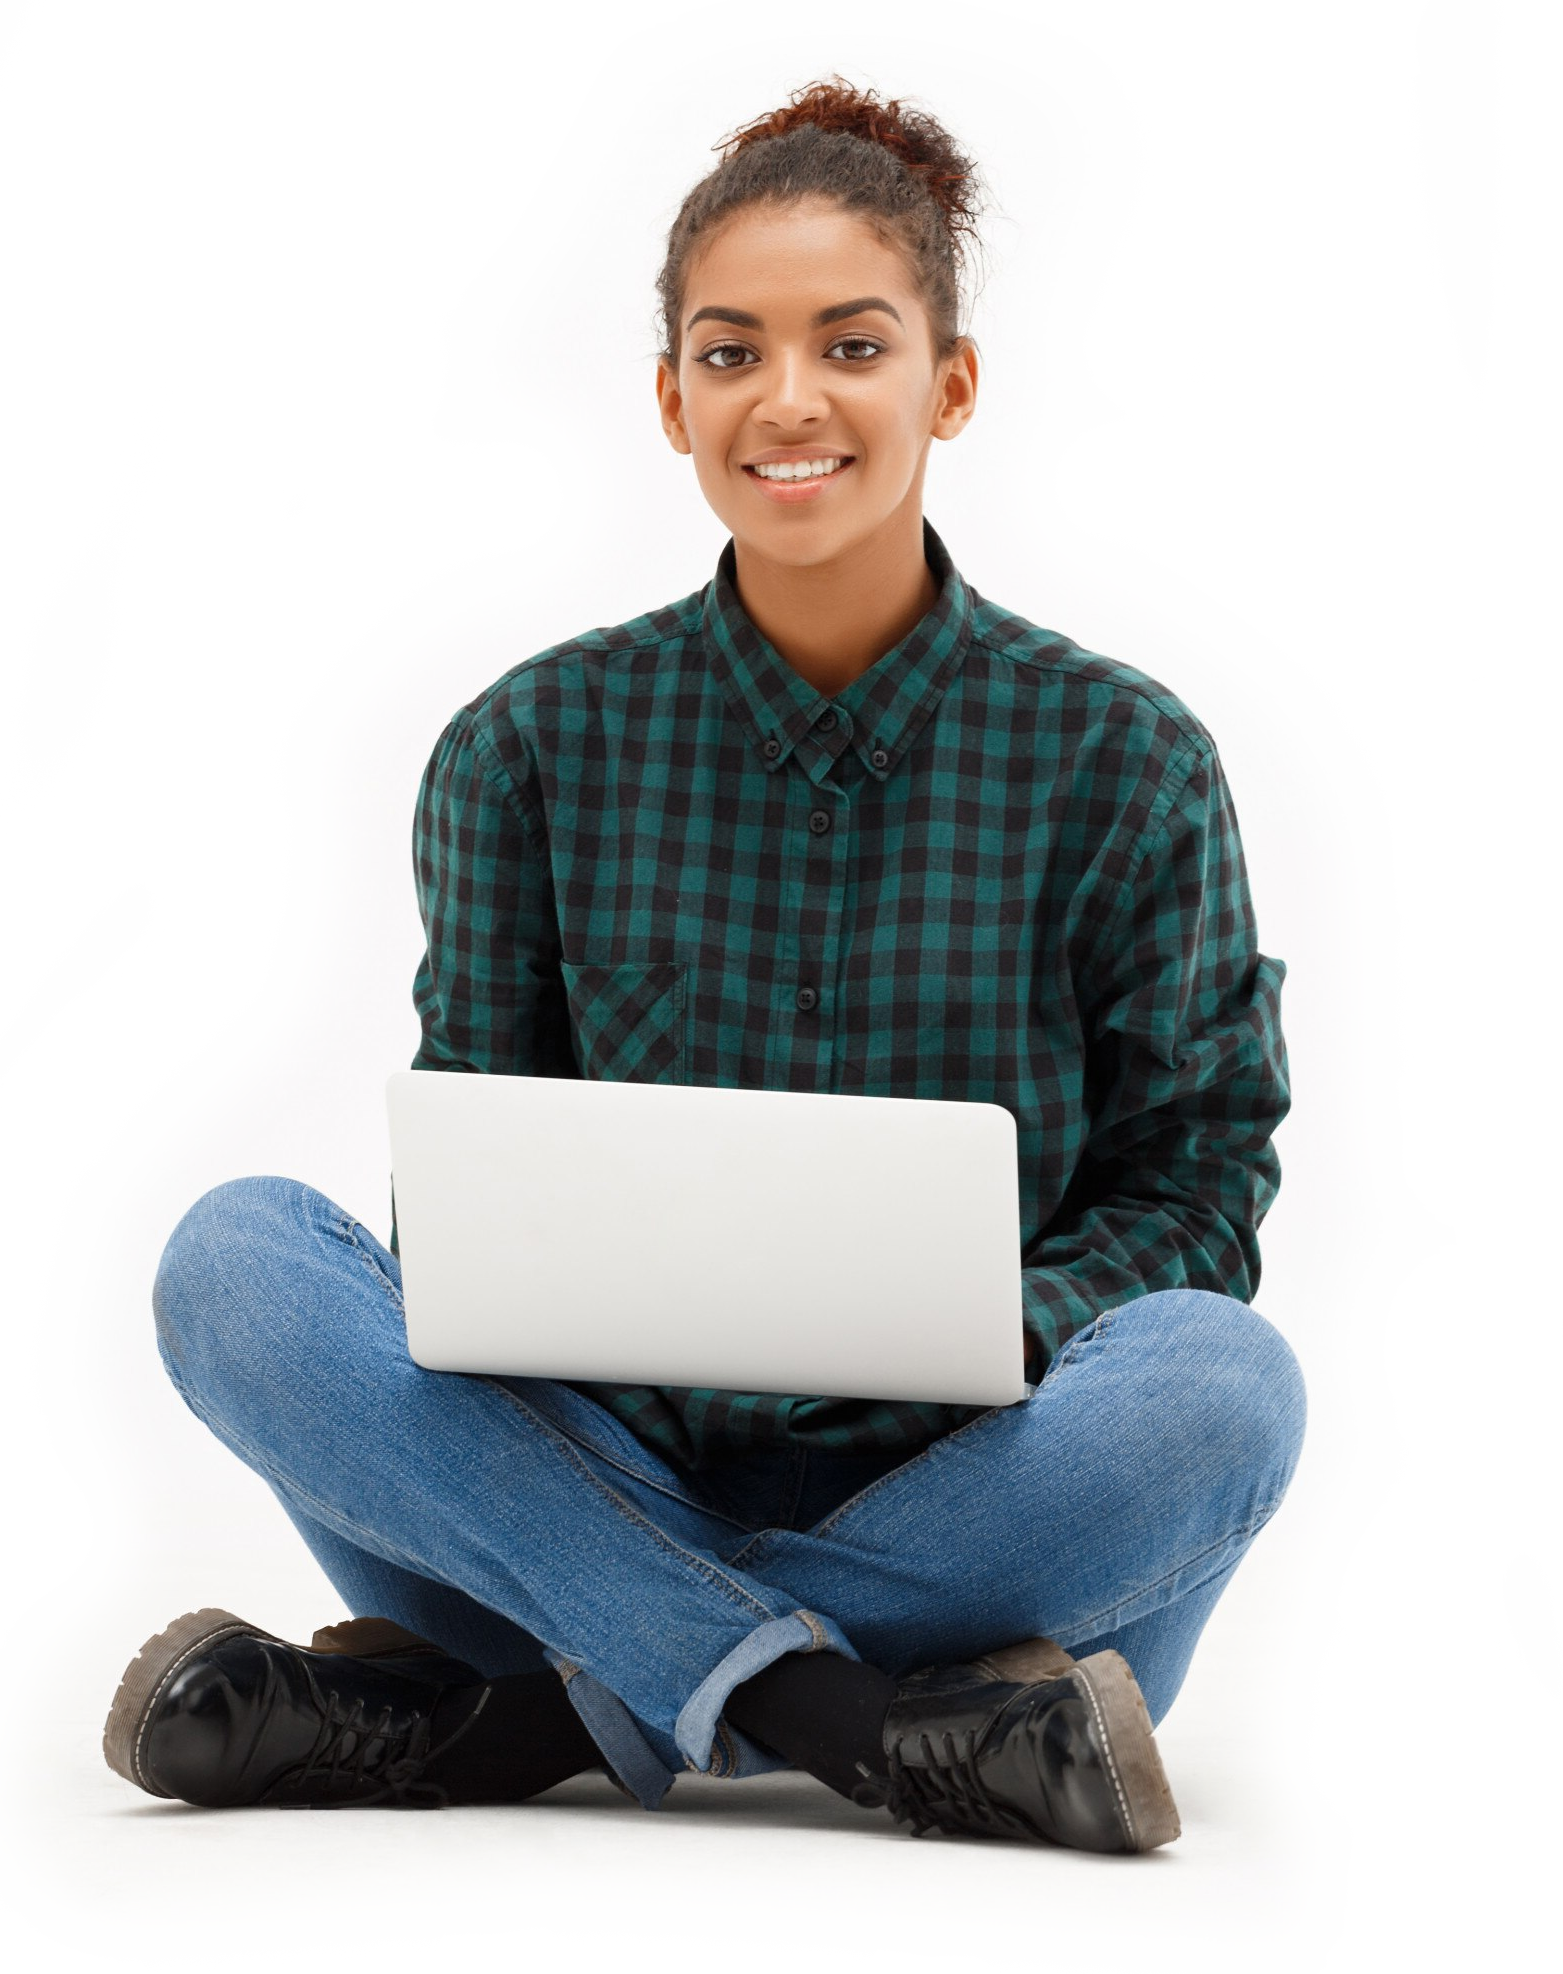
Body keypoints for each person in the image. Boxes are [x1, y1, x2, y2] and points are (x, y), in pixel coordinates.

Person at [104, 76, 1306, 1852]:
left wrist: (978, 1329)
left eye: (853, 344)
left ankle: (520, 1721)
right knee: (237, 1263)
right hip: (582, 1485)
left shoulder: (1120, 756)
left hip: (979, 1513)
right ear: (672, 400)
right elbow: (464, 1196)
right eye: (731, 352)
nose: (788, 399)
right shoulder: (524, 744)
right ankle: (853, 1723)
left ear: (949, 385)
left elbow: (1199, 1186)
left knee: (1221, 1382)